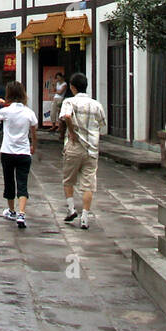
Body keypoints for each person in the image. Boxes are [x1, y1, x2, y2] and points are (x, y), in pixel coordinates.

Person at [60, 72, 107, 230]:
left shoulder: (69, 102)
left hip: (74, 146)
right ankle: (85, 217)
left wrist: (72, 131)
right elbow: (102, 123)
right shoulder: (96, 105)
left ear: (72, 87)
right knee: (88, 184)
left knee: (68, 180)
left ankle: (72, 209)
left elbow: (66, 116)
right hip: (92, 149)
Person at [0, 81, 37, 229]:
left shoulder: (6, 111)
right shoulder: (28, 112)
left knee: (9, 181)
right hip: (24, 152)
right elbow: (33, 130)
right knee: (22, 182)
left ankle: (11, 210)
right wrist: (33, 145)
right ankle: (21, 213)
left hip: (7, 151)